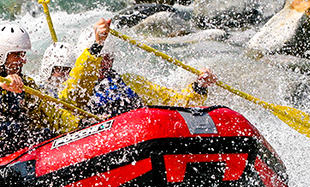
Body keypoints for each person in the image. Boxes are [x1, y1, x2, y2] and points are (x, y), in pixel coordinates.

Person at [0, 24, 79, 162]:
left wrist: (78, 124)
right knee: (39, 137)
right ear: (0, 55)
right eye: (17, 55)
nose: (23, 60)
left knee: (46, 133)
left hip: (14, 143)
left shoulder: (24, 83)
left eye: (23, 54)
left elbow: (49, 112)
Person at [57, 19, 218, 118]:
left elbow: (173, 102)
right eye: (100, 57)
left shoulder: (128, 82)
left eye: (108, 58)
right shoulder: (70, 86)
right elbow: (74, 92)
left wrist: (199, 87)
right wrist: (97, 46)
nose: (104, 64)